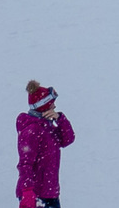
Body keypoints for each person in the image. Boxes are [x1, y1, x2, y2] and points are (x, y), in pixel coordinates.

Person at [17, 80, 76, 208]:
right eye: (51, 104)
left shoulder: (47, 127)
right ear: (43, 106)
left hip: (49, 192)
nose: (54, 106)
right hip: (37, 195)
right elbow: (25, 164)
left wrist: (60, 119)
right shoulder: (32, 131)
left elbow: (68, 139)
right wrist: (27, 191)